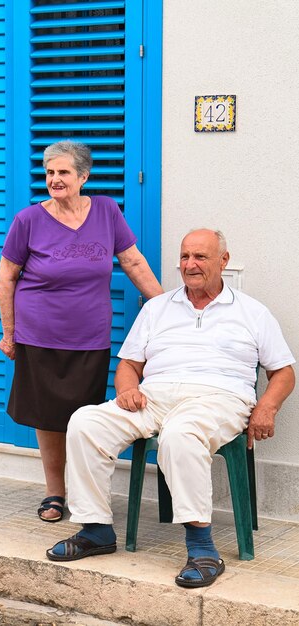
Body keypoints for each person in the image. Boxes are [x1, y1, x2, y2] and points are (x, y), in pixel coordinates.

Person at [46, 228, 295, 588]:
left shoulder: (252, 312)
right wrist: (128, 387)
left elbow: (283, 372)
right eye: (184, 257)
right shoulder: (158, 308)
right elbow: (130, 364)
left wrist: (267, 408)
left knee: (181, 434)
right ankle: (96, 529)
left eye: (201, 257)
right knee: (85, 421)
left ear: (223, 261)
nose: (190, 265)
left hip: (217, 398)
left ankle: (202, 547)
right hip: (155, 396)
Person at [0, 140, 163, 523]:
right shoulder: (28, 220)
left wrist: (168, 309)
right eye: (50, 172)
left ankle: (86, 492)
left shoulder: (106, 211)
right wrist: (10, 332)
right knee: (47, 417)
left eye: (63, 173)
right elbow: (6, 277)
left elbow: (134, 262)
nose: (54, 179)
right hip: (39, 335)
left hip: (90, 336)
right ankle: (55, 493)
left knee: (83, 416)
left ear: (83, 176)